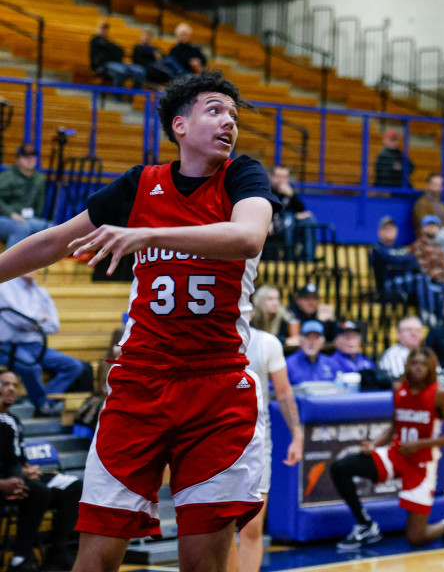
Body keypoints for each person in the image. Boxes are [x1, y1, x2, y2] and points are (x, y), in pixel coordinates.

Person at [0, 70, 278, 572]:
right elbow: (51, 241)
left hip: (215, 388)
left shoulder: (244, 176)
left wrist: (148, 236)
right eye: (215, 110)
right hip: (139, 384)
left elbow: (248, 237)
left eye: (234, 115)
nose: (229, 122)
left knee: (204, 563)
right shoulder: (140, 184)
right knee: (96, 558)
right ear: (180, 125)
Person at [331, 347, 444, 550]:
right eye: (414, 363)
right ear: (407, 366)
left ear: (431, 368)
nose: (418, 368)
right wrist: (374, 445)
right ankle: (365, 525)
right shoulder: (398, 388)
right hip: (396, 454)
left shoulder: (440, 394)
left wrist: (420, 444)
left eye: (423, 364)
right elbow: (395, 425)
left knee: (416, 538)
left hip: (421, 463)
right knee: (340, 467)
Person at [227, 321, 303, 572]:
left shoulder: (267, 342)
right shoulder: (208, 337)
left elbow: (283, 393)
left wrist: (297, 434)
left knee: (252, 525)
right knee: (222, 527)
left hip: (255, 445)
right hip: (217, 443)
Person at [0, 368, 84, 571]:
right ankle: (20, 557)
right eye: (5, 384)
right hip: (4, 483)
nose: (11, 389)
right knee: (38, 492)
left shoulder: (14, 421)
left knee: (74, 486)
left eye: (15, 385)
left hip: (17, 478)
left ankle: (57, 553)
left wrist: (27, 469)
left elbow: (15, 457)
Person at [0, 270, 87, 416]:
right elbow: (18, 320)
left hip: (35, 345)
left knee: (75, 366)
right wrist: (41, 318)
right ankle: (43, 404)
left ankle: (41, 401)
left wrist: (33, 321)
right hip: (7, 345)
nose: (30, 268)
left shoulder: (41, 292)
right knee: (32, 367)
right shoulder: (4, 288)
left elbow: (53, 325)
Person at [0, 143, 53, 247]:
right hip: (5, 217)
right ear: (18, 160)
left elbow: (40, 203)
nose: (30, 159)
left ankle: (39, 262)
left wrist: (35, 217)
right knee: (21, 228)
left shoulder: (39, 178)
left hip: (27, 218)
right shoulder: (7, 177)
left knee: (50, 228)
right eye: (26, 157)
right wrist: (11, 213)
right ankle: (10, 262)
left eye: (33, 156)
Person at [268, 165, 319, 261]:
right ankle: (289, 256)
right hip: (273, 224)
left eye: (284, 177)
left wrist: (291, 194)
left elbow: (301, 209)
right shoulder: (267, 191)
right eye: (278, 176)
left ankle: (308, 258)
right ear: (272, 177)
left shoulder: (288, 192)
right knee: (289, 218)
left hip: (289, 224)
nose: (281, 180)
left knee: (309, 219)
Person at [89, 21, 144, 90]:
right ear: (97, 29)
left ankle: (133, 94)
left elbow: (121, 52)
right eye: (102, 28)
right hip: (102, 65)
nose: (104, 31)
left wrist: (110, 49)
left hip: (116, 63)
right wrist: (112, 50)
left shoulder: (109, 41)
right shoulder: (95, 40)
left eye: (106, 29)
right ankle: (117, 96)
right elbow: (110, 52)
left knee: (139, 71)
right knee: (121, 72)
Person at [286, 320, 338, 385]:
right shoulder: (288, 364)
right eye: (307, 337)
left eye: (316, 338)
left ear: (322, 343)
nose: (311, 342)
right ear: (300, 341)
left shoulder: (330, 363)